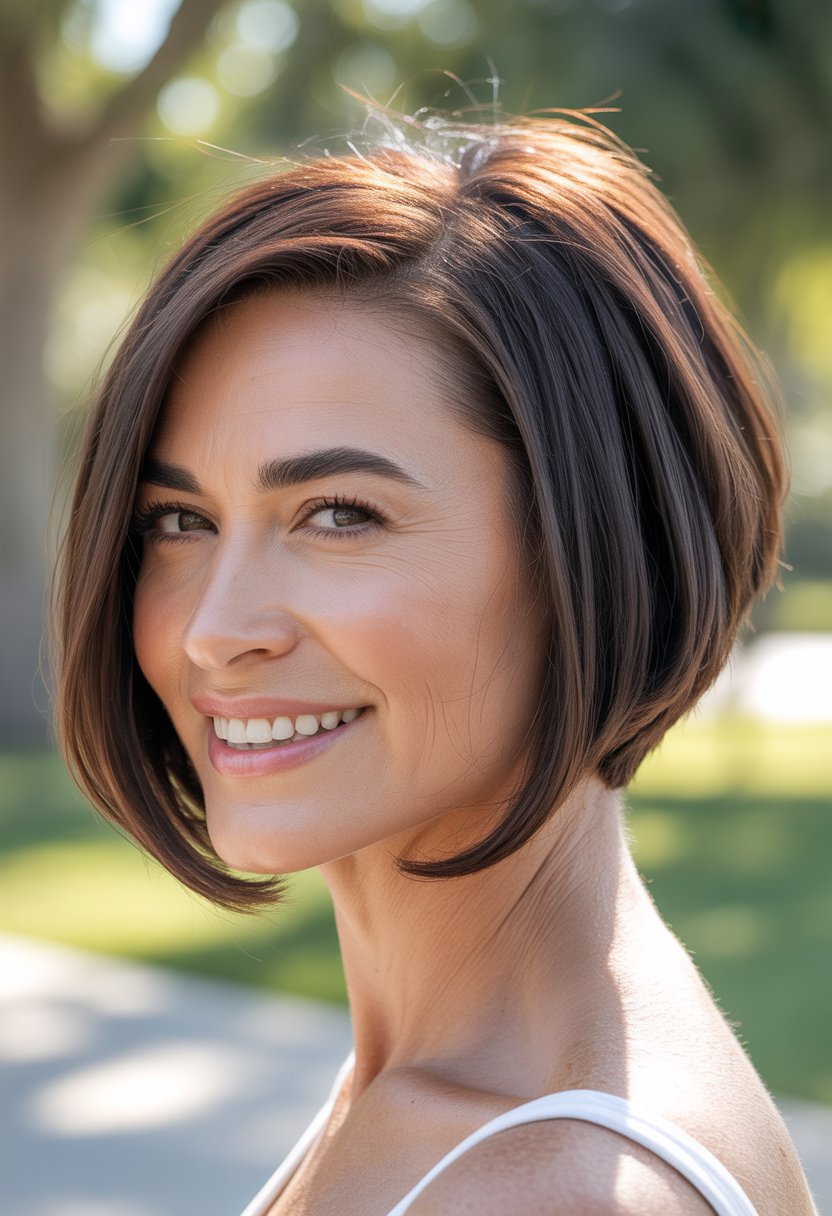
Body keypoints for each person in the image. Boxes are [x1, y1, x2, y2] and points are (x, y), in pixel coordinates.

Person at [50, 107, 818, 1215]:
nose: (217, 628)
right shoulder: (440, 1092)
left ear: (599, 543)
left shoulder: (551, 1189)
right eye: (179, 520)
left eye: (337, 513)